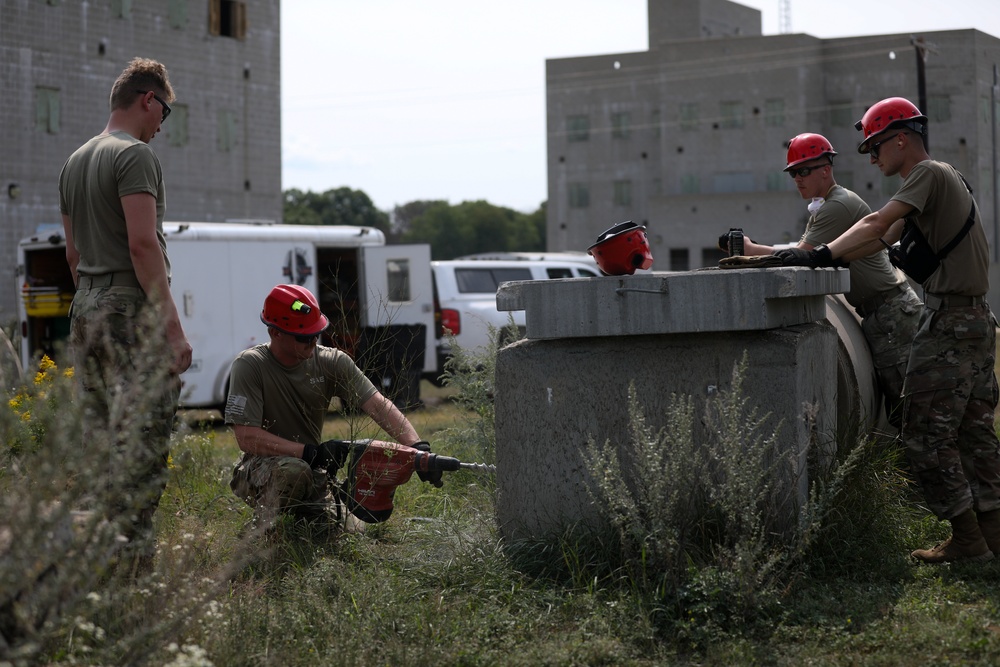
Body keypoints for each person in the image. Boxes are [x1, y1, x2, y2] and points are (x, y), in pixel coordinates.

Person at [775, 97, 1000, 564]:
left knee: (923, 432)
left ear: (902, 138)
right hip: (975, 319)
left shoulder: (927, 174)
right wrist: (827, 251)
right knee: (975, 433)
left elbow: (878, 223)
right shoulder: (944, 179)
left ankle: (967, 539)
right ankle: (992, 535)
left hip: (951, 325)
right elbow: (881, 236)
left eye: (876, 146)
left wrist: (819, 255)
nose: (872, 157)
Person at [58, 57, 193, 566]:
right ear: (147, 100)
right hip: (127, 308)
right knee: (142, 436)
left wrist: (94, 299)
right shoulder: (133, 156)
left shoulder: (74, 161)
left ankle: (91, 557)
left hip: (86, 304)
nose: (162, 124)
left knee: (99, 439)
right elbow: (142, 245)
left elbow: (72, 255)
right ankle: (132, 562)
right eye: (166, 112)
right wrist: (172, 329)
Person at [719, 132, 922, 428]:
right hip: (884, 311)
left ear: (826, 169)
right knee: (902, 411)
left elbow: (802, 254)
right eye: (793, 174)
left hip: (891, 313)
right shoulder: (826, 205)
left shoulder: (836, 206)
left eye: (804, 171)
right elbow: (801, 253)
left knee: (911, 412)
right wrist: (752, 249)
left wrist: (749, 250)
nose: (797, 179)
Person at [226, 284, 440, 532]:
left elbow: (378, 405)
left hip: (311, 467)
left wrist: (417, 449)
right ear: (275, 333)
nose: (313, 341)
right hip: (260, 467)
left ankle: (303, 521)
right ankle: (263, 532)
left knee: (352, 531)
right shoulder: (251, 365)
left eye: (316, 333)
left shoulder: (332, 362)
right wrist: (309, 453)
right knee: (294, 472)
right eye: (304, 336)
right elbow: (246, 437)